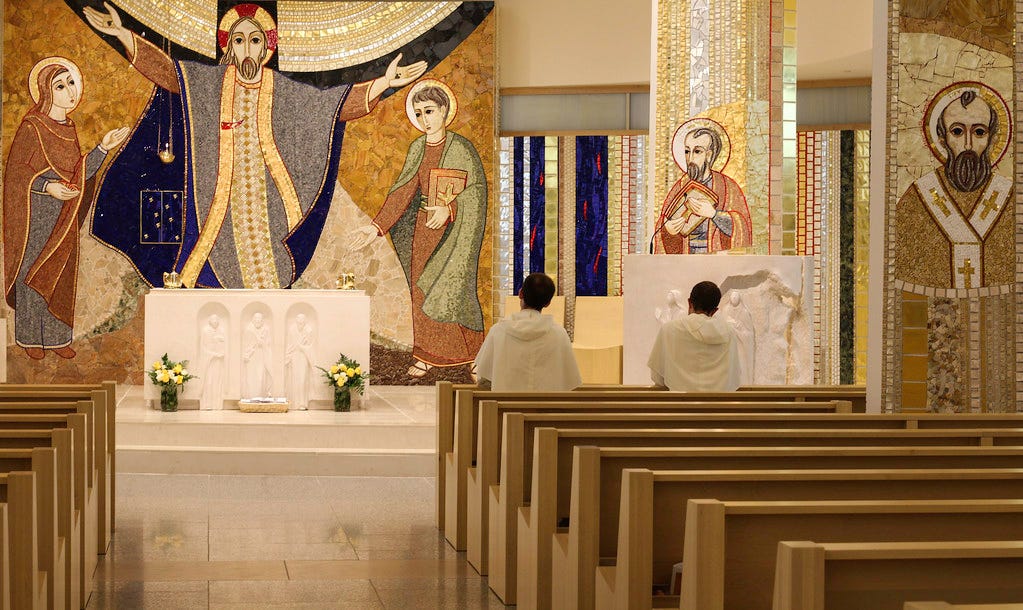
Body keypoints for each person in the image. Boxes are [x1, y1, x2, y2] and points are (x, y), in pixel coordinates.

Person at [84, 2, 428, 288]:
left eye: (253, 41)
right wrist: (122, 34)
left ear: (266, 48)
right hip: (219, 200)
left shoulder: (286, 91)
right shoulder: (212, 83)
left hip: (270, 207)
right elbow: (170, 74)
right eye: (238, 41)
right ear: (229, 47)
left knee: (271, 277)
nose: (246, 49)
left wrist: (384, 81)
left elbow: (331, 106)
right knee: (214, 271)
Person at [352, 81, 487, 379]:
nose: (425, 119)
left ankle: (474, 356)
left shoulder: (462, 148)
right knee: (421, 291)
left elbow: (477, 192)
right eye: (419, 113)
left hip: (455, 235)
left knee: (456, 290)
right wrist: (375, 228)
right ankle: (426, 355)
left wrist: (450, 209)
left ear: (444, 110)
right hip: (423, 232)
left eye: (429, 111)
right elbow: (402, 191)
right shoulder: (417, 147)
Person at [2, 56, 128, 359]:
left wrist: (102, 148)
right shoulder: (32, 127)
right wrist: (47, 187)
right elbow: (16, 175)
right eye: (60, 85)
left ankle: (58, 338)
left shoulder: (68, 129)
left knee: (60, 272)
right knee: (33, 270)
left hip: (63, 215)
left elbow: (77, 173)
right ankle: (31, 338)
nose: (69, 91)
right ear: (46, 91)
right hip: (35, 216)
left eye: (71, 82)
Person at [652, 121, 752, 254]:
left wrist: (714, 215)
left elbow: (742, 226)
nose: (690, 158)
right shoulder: (679, 187)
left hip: (717, 261)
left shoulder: (728, 187)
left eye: (697, 151)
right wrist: (667, 230)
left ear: (709, 155)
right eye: (687, 151)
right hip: (686, 263)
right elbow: (661, 227)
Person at [474, 273, 581, 391]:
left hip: (505, 408)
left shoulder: (498, 331)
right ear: (548, 303)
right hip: (546, 408)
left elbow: (484, 380)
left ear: (520, 293)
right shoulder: (559, 334)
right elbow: (569, 382)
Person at [647, 280, 741, 391]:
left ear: (689, 303)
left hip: (679, 405)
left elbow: (657, 377)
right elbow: (734, 377)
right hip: (717, 406)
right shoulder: (729, 332)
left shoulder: (668, 329)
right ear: (715, 310)